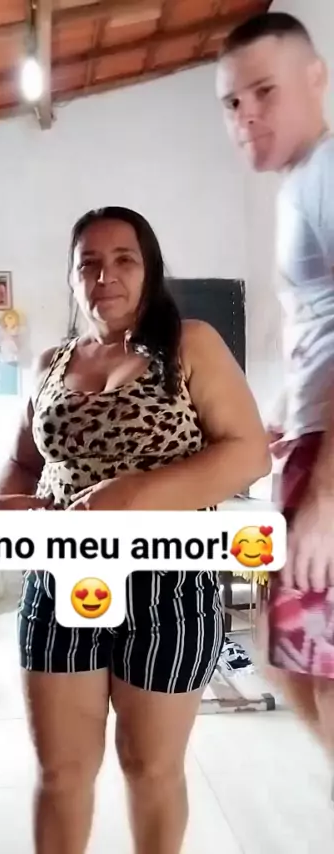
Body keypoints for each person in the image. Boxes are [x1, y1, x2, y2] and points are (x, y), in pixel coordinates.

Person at [0, 206, 270, 854]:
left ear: (150, 271)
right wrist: (2, 505)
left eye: (123, 260)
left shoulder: (190, 344)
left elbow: (247, 453)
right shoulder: (50, 363)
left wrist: (133, 496)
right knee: (62, 773)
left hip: (169, 586)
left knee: (150, 769)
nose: (104, 276)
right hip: (60, 583)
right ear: (71, 277)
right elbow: (24, 461)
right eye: (87, 263)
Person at [216, 12, 334, 760]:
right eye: (232, 102)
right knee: (284, 656)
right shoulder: (301, 184)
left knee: (322, 675)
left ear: (315, 78)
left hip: (331, 462)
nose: (246, 114)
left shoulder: (327, 173)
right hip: (311, 439)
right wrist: (290, 417)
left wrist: (327, 498)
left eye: (264, 91)